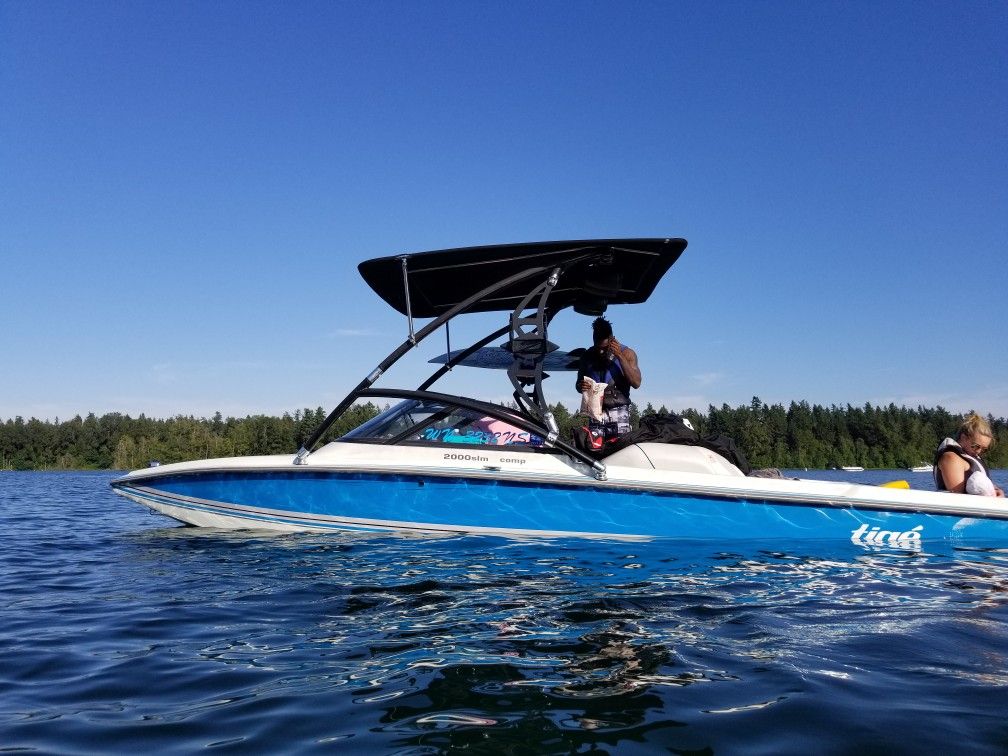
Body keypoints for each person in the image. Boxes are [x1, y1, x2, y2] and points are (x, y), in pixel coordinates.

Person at [575, 316, 641, 441]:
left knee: (620, 449)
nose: (601, 351)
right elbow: (578, 385)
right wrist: (581, 385)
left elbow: (636, 383)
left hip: (619, 411)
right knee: (595, 449)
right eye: (597, 347)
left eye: (604, 348)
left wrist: (619, 355)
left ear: (612, 340)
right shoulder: (587, 356)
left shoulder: (627, 353)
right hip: (595, 412)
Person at [934, 413, 1004, 497]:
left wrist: (997, 491)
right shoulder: (951, 458)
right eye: (976, 446)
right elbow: (957, 498)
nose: (979, 451)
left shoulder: (969, 456)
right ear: (963, 438)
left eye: (984, 449)